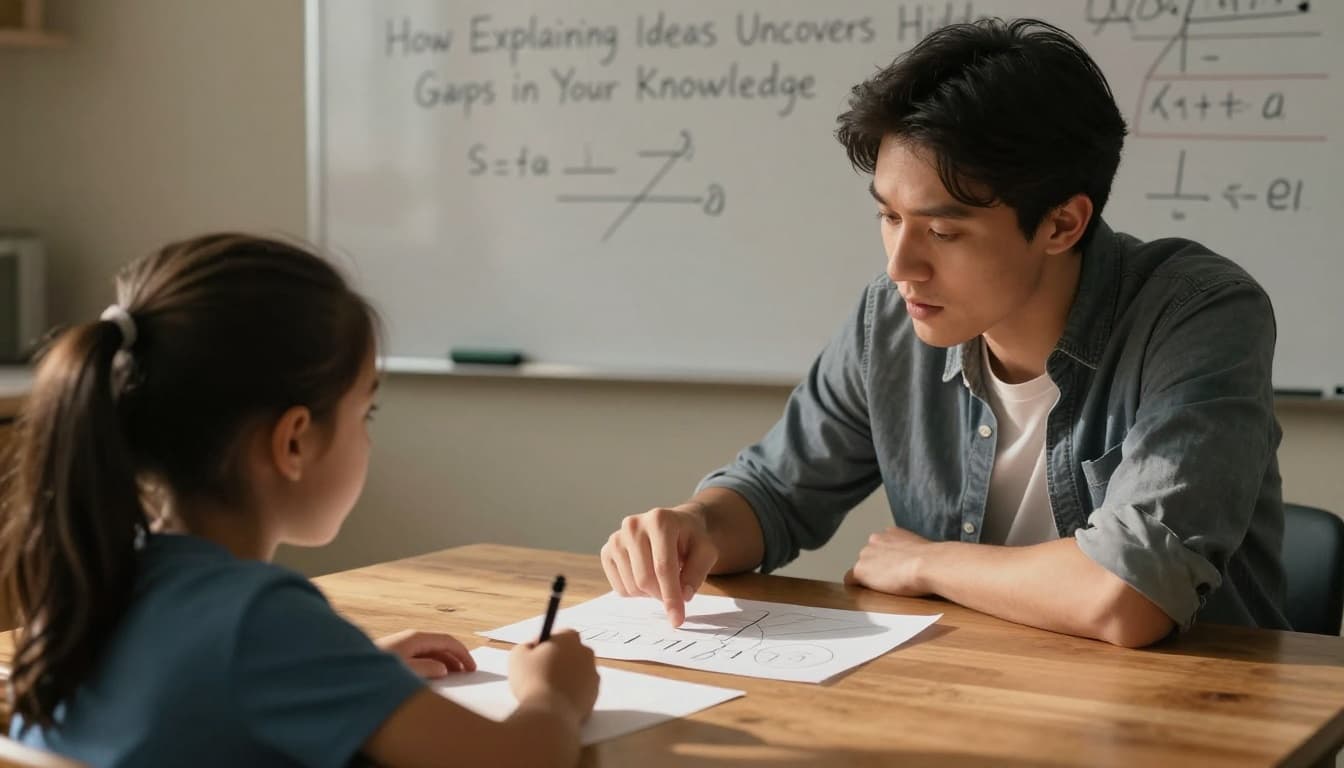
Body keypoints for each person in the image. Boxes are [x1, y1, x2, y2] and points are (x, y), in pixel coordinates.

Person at [600, 18, 1287, 647]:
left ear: (1061, 224)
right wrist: (696, 525)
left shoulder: (1201, 314)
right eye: (889, 218)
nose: (900, 266)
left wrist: (930, 562)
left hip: (1189, 722)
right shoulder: (891, 318)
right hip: (968, 701)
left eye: (942, 230)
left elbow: (1130, 592)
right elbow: (776, 493)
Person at [0, 234, 599, 767]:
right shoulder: (262, 621)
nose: (368, 435)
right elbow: (518, 759)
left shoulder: (99, 571)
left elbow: (198, 686)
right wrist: (552, 694)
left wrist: (350, 672)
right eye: (366, 411)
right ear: (292, 442)